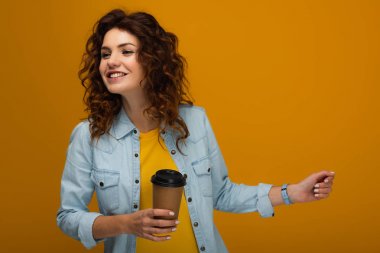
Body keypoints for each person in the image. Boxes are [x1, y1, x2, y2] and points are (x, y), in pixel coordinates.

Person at [57, 8, 336, 253]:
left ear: (152, 61)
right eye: (105, 54)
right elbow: (68, 216)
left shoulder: (194, 122)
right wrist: (127, 224)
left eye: (126, 51)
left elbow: (222, 193)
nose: (111, 61)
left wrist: (292, 193)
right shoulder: (89, 135)